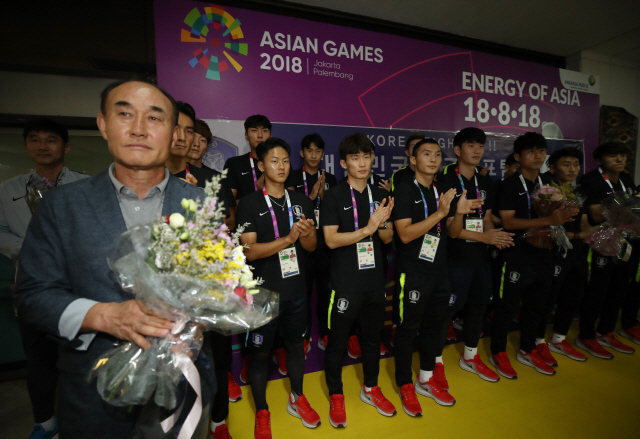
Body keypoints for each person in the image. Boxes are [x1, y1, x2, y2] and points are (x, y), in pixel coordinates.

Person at [13, 79, 214, 438]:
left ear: (173, 134)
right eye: (124, 114)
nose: (138, 129)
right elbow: (32, 295)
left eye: (154, 119)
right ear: (103, 124)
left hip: (184, 385)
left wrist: (199, 322)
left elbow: (220, 284)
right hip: (93, 389)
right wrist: (105, 315)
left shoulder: (202, 205)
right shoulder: (62, 206)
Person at [0, 118, 87, 439]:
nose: (42, 145)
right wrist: (29, 249)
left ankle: (81, 420)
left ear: (65, 147)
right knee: (39, 360)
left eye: (50, 140)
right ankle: (45, 422)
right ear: (26, 146)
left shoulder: (86, 185)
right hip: (33, 286)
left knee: (80, 358)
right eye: (34, 139)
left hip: (78, 286)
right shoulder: (8, 189)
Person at [392, 137, 484, 415]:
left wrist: (456, 213)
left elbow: (454, 232)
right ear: (413, 160)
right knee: (408, 329)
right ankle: (405, 384)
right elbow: (405, 234)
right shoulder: (405, 189)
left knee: (435, 327)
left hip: (440, 270)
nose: (433, 159)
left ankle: (426, 378)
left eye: (437, 155)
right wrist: (441, 212)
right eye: (426, 154)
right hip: (414, 273)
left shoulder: (447, 188)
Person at [236, 137, 320, 439]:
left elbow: (310, 247)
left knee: (296, 348)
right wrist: (287, 239)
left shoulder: (302, 201)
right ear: (261, 165)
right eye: (274, 160)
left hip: (296, 290)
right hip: (262, 294)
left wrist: (306, 234)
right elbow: (250, 252)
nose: (281, 166)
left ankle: (297, 397)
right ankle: (262, 410)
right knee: (259, 355)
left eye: (285, 160)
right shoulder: (249, 203)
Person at [321, 133, 395, 428]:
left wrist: (383, 222)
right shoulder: (335, 196)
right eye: (355, 158)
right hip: (344, 283)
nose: (362, 163)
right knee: (337, 343)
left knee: (372, 340)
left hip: (375, 282)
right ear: (343, 163)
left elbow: (388, 237)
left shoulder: (380, 194)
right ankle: (336, 394)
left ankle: (371, 388)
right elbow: (330, 240)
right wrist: (368, 229)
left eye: (366, 157)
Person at [490, 132, 578, 378]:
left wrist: (565, 214)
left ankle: (527, 349)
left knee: (537, 305)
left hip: (545, 252)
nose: (537, 155)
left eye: (541, 150)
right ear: (518, 157)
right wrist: (549, 219)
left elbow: (557, 215)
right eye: (531, 151)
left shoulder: (549, 183)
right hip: (516, 253)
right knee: (507, 307)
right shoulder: (509, 184)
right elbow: (507, 221)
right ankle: (498, 351)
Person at [436, 128, 513, 387]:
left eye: (480, 145)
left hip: (480, 257)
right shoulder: (445, 181)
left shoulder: (485, 182)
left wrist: (496, 235)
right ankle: (434, 362)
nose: (477, 150)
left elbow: (487, 219)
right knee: (447, 310)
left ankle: (470, 356)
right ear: (457, 150)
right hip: (455, 258)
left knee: (479, 307)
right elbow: (451, 229)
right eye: (471, 145)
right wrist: (485, 238)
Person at [576, 142, 637, 358]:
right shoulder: (590, 180)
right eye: (614, 156)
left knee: (620, 287)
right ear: (600, 161)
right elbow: (594, 215)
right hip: (600, 242)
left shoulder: (626, 179)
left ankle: (606, 330)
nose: (620, 160)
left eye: (622, 155)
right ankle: (587, 335)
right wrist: (625, 208)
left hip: (625, 240)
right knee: (597, 290)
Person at [536, 148, 592, 362]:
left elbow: (585, 222)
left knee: (573, 296)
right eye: (566, 164)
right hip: (554, 252)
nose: (572, 169)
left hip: (577, 251)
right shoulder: (546, 192)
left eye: (576, 164)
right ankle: (538, 341)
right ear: (552, 167)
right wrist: (579, 234)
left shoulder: (577, 192)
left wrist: (605, 229)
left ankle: (559, 338)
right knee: (548, 299)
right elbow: (547, 228)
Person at [286, 133, 337, 352]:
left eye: (318, 151)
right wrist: (312, 195)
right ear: (302, 153)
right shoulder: (293, 177)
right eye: (310, 150)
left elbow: (336, 213)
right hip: (301, 246)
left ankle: (325, 335)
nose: (314, 155)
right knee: (302, 296)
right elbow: (288, 212)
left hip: (325, 246)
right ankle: (303, 337)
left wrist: (325, 198)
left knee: (326, 294)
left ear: (323, 154)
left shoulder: (332, 179)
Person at [223, 114, 271, 201]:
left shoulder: (280, 163)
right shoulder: (234, 164)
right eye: (254, 130)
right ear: (246, 135)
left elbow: (288, 198)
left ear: (270, 135)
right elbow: (229, 202)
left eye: (264, 130)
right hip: (244, 213)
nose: (260, 135)